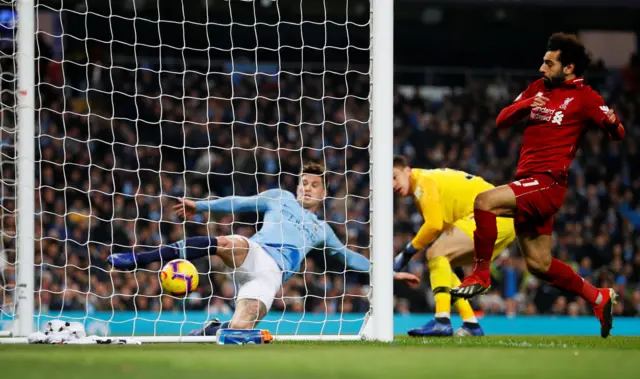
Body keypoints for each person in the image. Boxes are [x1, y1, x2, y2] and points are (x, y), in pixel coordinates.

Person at [108, 162, 419, 335]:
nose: (306, 187)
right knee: (227, 242)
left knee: (240, 329)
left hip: (270, 277)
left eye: (313, 184)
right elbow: (239, 203)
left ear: (324, 193)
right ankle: (139, 258)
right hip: (254, 251)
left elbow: (350, 259)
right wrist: (200, 206)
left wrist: (389, 273)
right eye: (303, 182)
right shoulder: (279, 197)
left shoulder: (322, 231)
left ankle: (216, 328)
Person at [451, 33, 626, 338]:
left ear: (569, 67)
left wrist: (613, 123)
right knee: (539, 265)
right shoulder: (537, 89)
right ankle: (598, 297)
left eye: (549, 62)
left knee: (484, 201)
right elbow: (502, 120)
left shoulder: (586, 97)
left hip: (548, 183)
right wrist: (529, 103)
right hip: (529, 183)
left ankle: (480, 275)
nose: (541, 68)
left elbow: (617, 132)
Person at [392, 156, 516, 336]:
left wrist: (406, 253)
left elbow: (434, 225)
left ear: (407, 170)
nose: (393, 185)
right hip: (502, 219)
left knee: (436, 253)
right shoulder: (426, 186)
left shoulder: (422, 182)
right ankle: (471, 324)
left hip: (493, 214)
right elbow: (441, 225)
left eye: (395, 177)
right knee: (441, 262)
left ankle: (441, 320)